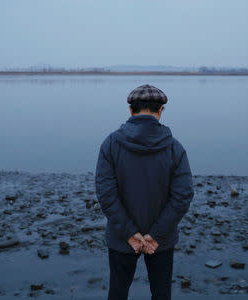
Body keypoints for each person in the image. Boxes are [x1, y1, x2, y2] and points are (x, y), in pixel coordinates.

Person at [95, 84, 194, 300]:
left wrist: (130, 233)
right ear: (160, 112)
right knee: (161, 294)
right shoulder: (175, 148)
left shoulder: (110, 145)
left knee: (118, 292)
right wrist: (156, 235)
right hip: (160, 240)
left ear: (131, 111)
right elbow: (182, 196)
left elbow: (106, 194)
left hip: (122, 238)